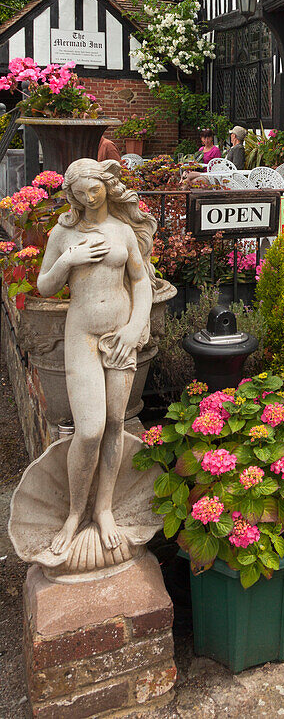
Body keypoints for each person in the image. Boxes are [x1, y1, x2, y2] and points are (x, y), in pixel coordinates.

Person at [36, 159, 156, 555]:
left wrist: (135, 326)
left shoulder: (123, 230)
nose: (89, 198)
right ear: (71, 195)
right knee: (89, 430)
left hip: (120, 337)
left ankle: (103, 509)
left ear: (106, 186)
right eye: (81, 193)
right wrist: (68, 260)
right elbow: (44, 286)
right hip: (83, 334)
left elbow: (141, 281)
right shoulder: (62, 233)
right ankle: (74, 514)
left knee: (116, 423)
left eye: (95, 190)